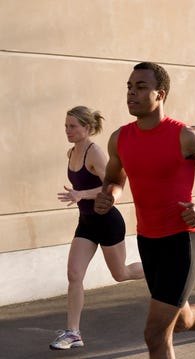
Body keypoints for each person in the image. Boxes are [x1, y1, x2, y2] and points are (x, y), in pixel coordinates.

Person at [94, 62, 195, 359]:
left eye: (141, 87)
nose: (131, 93)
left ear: (160, 94)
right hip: (148, 240)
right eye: (129, 87)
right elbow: (115, 179)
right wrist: (110, 196)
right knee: (182, 319)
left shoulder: (186, 136)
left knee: (156, 335)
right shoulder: (120, 138)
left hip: (183, 239)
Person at [50, 106, 144, 350]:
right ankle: (73, 333)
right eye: (66, 126)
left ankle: (160, 268)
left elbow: (111, 184)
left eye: (73, 126)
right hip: (87, 223)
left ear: (87, 128)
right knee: (74, 274)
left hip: (107, 222)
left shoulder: (95, 153)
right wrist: (79, 196)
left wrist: (81, 193)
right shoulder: (71, 153)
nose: (67, 130)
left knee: (120, 274)